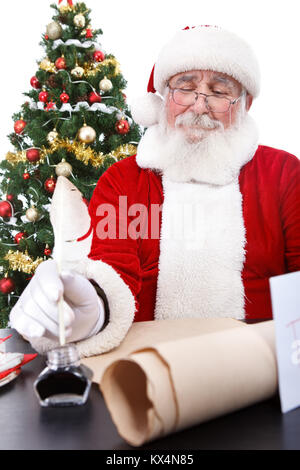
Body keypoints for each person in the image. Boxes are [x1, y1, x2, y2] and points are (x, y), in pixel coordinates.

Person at [10, 25, 300, 358]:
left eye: (219, 92)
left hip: (262, 370)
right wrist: (89, 306)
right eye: (185, 88)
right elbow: (114, 272)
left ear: (244, 104)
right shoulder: (124, 181)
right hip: (149, 375)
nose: (199, 104)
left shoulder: (284, 174)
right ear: (162, 100)